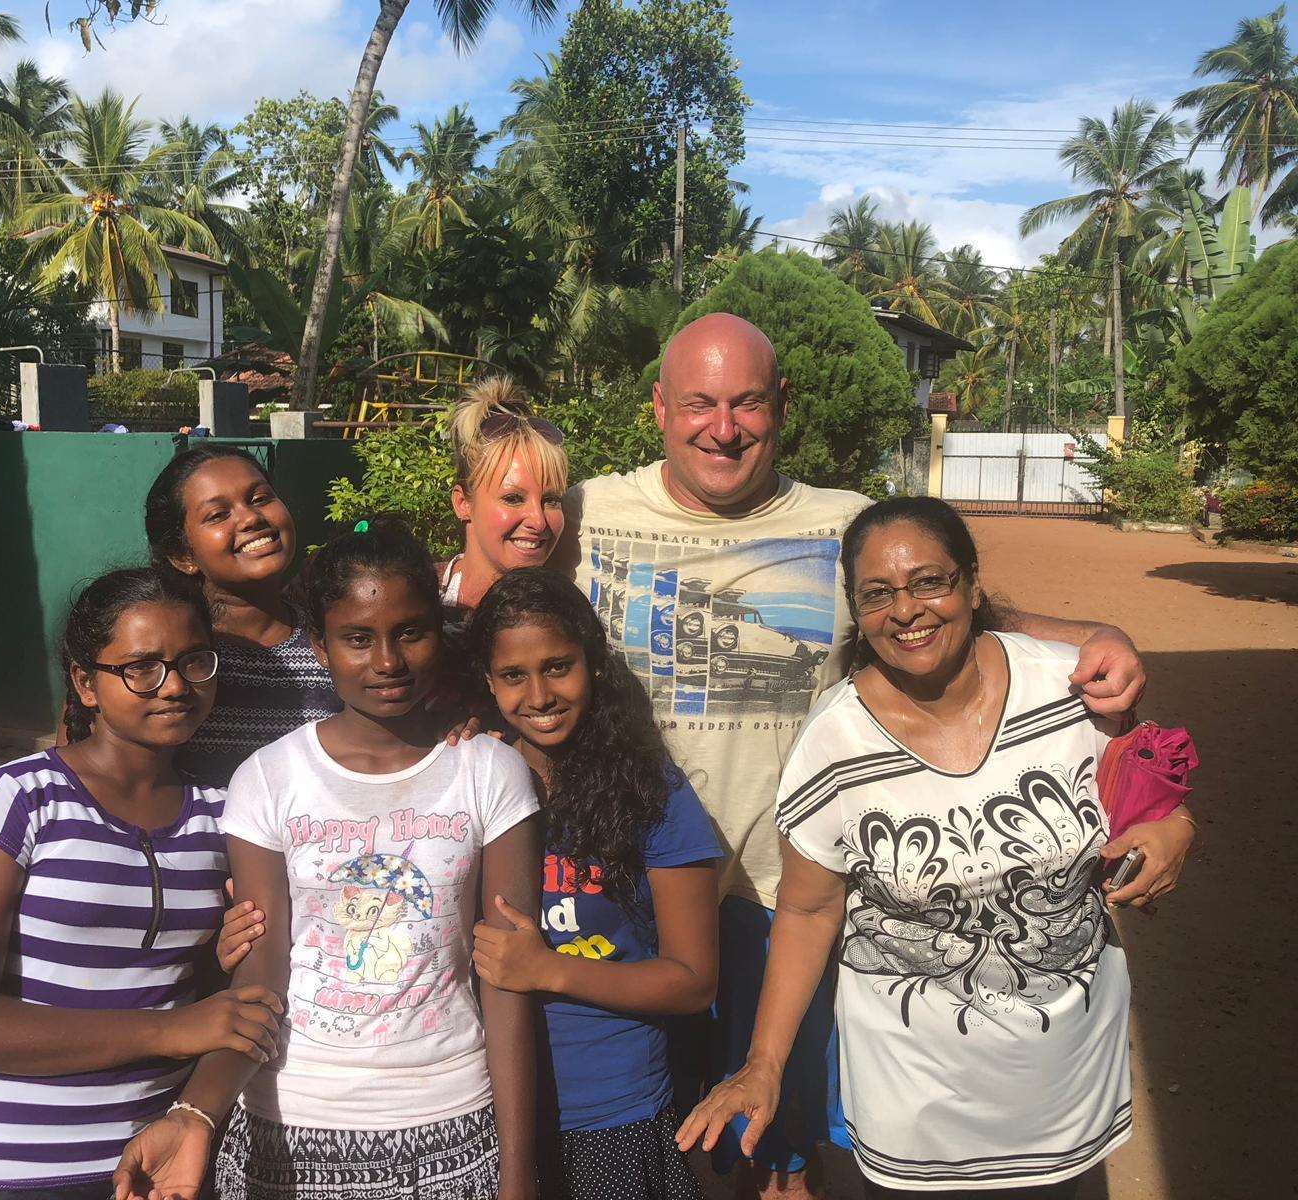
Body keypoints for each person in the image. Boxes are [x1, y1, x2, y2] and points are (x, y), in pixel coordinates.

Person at [556, 312, 1149, 1197]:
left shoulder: (843, 524)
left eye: (748, 402)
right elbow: (498, 607)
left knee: (797, 1137)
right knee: (642, 1131)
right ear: (659, 409)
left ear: (781, 406)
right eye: (699, 404)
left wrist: (1097, 637)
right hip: (633, 892)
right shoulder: (583, 513)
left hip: (784, 887)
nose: (724, 427)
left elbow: (960, 610)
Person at [676, 497, 1196, 1197]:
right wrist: (763, 1063)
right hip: (916, 1121)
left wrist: (1173, 831)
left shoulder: (1068, 690)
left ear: (973, 585)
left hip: (1069, 1096)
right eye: (878, 593)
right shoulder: (833, 746)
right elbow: (804, 913)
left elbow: (1147, 800)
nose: (906, 610)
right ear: (856, 611)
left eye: (929, 582)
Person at [112, 518, 544, 1200]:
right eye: (357, 638)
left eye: (410, 632)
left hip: (454, 1119)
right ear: (320, 645)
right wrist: (198, 1114)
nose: (388, 662)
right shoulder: (269, 780)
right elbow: (263, 970)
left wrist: (521, 1176)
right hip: (288, 1121)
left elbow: (510, 981)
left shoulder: (489, 773)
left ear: (441, 630)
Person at [0, 568, 283, 1199]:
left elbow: (197, 987)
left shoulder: (223, 813)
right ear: (86, 684)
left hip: (167, 1161)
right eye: (141, 667)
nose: (173, 686)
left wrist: (216, 964)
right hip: (18, 1169)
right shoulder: (17, 799)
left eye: (194, 662)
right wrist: (170, 1030)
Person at [462, 567, 721, 1200]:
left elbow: (692, 982)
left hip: (613, 1110)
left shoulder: (652, 793)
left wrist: (548, 969)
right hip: (477, 1105)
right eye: (513, 676)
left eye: (558, 667)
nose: (540, 695)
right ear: (487, 683)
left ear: (594, 664)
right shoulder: (463, 777)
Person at [144, 444, 341, 784]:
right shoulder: (169, 659)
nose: (251, 518)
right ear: (181, 555)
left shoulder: (336, 641)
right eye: (218, 515)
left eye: (261, 498)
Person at [439, 377, 571, 615]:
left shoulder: (565, 619)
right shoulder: (417, 599)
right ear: (462, 503)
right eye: (513, 498)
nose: (538, 521)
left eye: (550, 500)